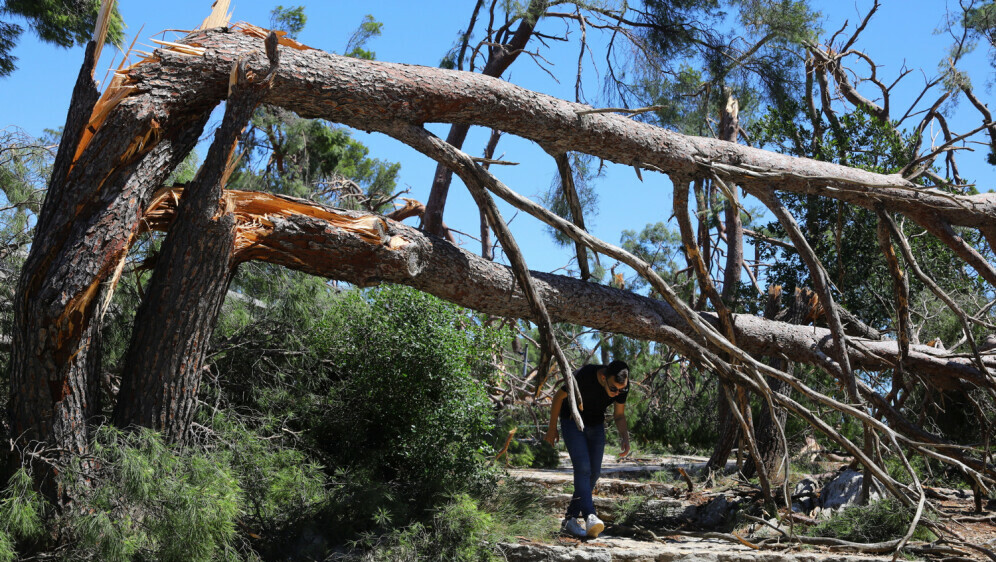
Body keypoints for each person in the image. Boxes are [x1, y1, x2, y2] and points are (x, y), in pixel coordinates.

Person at [544, 360, 631, 539]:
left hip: (596, 425)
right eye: (613, 389)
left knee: (594, 473)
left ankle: (570, 519)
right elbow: (558, 397)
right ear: (603, 377)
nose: (617, 393)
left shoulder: (622, 384)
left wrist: (625, 437)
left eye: (621, 390)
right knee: (583, 468)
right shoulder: (583, 375)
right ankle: (590, 515)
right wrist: (552, 429)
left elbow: (619, 414)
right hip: (571, 420)